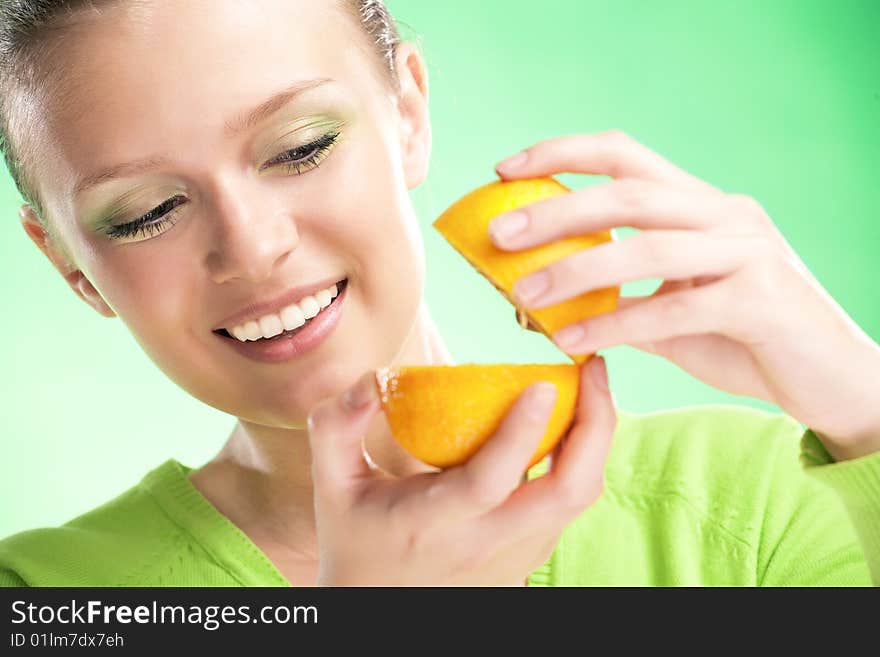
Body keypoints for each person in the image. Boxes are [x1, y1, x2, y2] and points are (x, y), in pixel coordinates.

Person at [0, 0, 878, 587]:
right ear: (72, 267)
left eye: (300, 146)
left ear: (409, 117)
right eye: (148, 211)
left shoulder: (749, 505)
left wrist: (867, 407)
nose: (254, 247)